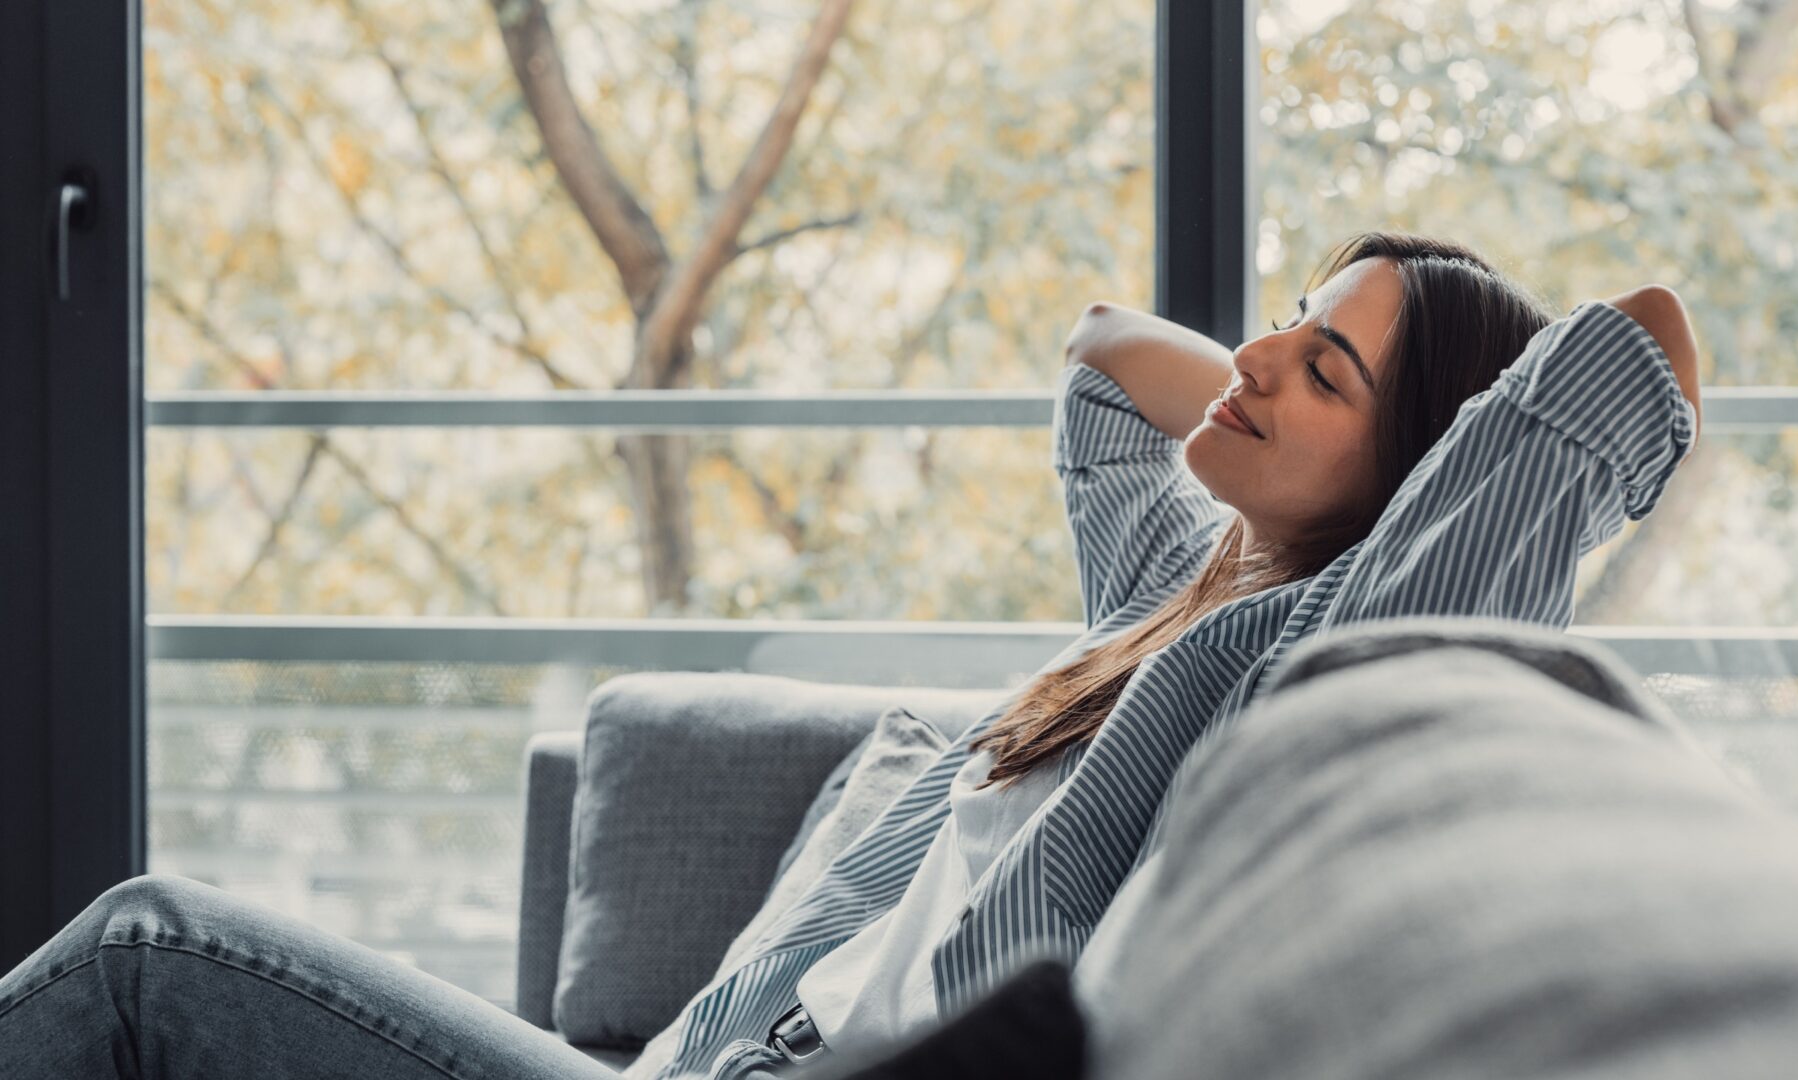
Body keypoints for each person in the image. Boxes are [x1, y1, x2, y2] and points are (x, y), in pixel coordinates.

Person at [0, 231, 1702, 1080]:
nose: (1256, 358)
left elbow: (1640, 352)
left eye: (1323, 372)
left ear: (1417, 485)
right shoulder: (1164, 602)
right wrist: (1300, 392)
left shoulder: (1314, 655)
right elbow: (1109, 363)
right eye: (1282, 318)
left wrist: (1399, 444)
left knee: (153, 955)